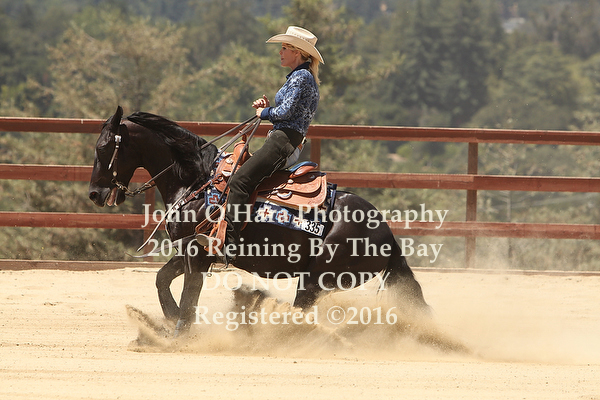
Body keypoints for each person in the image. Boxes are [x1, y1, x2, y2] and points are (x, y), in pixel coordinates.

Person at [196, 26, 324, 262]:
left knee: (239, 180)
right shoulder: (302, 76)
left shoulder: (301, 77)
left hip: (283, 141)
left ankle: (229, 244)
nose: (280, 52)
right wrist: (268, 108)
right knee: (244, 176)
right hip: (286, 140)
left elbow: (285, 113)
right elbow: (289, 113)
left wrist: (264, 112)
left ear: (296, 52)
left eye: (284, 48)